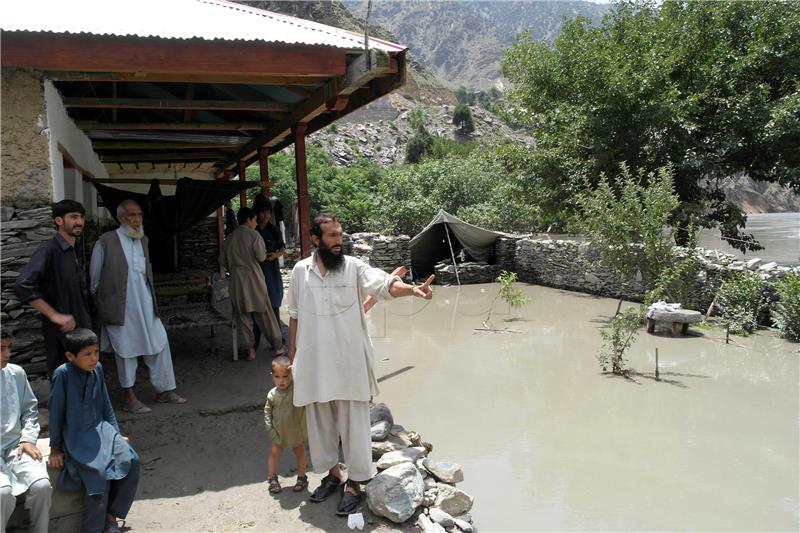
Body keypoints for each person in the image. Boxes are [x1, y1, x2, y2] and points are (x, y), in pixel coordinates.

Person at [287, 213, 434, 515]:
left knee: (354, 426)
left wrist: (412, 289)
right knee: (319, 424)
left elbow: (384, 284)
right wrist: (293, 358)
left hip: (349, 363)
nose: (339, 241)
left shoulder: (354, 268)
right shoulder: (300, 272)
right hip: (314, 364)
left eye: (340, 235)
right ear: (316, 239)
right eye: (331, 236)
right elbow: (294, 315)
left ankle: (354, 483)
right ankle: (332, 476)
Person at [90, 199, 186, 414]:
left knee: (159, 343)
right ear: (121, 218)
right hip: (120, 308)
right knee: (126, 350)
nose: (136, 220)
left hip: (146, 306)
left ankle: (164, 390)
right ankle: (129, 397)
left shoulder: (143, 240)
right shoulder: (105, 241)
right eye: (131, 215)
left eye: (139, 215)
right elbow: (94, 280)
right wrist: (106, 304)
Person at [48, 328, 139, 533]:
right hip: (77, 434)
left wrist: (116, 433)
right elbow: (55, 413)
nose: (93, 358)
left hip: (101, 429)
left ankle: (111, 517)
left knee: (132, 460)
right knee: (98, 473)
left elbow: (106, 405)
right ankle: (93, 529)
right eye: (87, 354)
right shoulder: (62, 374)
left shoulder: (97, 369)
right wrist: (55, 448)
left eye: (95, 352)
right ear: (70, 356)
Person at [14, 199, 92, 376]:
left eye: (81, 217)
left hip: (81, 331)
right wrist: (54, 315)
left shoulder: (75, 249)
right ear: (59, 221)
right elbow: (22, 285)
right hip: (61, 337)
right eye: (73, 217)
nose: (79, 222)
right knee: (65, 385)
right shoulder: (48, 250)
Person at [1, 330, 52, 533]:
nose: (7, 354)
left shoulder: (16, 373)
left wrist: (28, 438)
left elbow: (29, 410)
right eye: (1, 349)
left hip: (16, 447)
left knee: (41, 486)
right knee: (2, 493)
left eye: (8, 348)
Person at [219, 207, 284, 361]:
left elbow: (223, 262)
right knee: (265, 314)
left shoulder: (228, 239)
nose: (256, 223)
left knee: (243, 317)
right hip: (254, 279)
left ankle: (250, 351)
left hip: (236, 282)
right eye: (254, 220)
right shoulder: (254, 235)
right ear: (248, 220)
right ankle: (278, 347)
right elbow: (261, 257)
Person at [263, 356, 307, 495]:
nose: (281, 380)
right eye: (277, 376)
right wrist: (270, 430)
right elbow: (267, 413)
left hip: (296, 431)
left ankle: (302, 477)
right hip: (279, 432)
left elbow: (303, 377)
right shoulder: (272, 394)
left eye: (285, 376)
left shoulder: (295, 389)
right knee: (274, 453)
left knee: (299, 453)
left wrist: (294, 369)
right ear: (272, 376)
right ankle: (272, 478)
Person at [255, 205, 286, 326]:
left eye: (268, 213)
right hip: (256, 268)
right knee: (258, 301)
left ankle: (277, 331)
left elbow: (282, 248)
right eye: (263, 212)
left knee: (274, 299)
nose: (266, 216)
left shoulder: (274, 230)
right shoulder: (253, 229)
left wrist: (276, 255)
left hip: (271, 269)